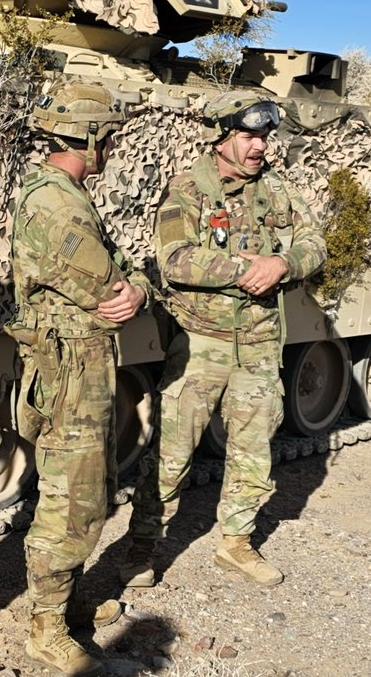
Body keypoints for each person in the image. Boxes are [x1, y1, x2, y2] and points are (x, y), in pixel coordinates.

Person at [120, 90, 326, 588]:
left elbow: (314, 244)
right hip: (200, 345)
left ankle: (236, 543)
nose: (260, 147)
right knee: (171, 454)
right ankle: (142, 546)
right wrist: (243, 271)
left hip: (258, 345)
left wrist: (284, 263)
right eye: (250, 136)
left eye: (265, 137)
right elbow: (173, 259)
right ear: (221, 137)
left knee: (254, 452)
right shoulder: (188, 191)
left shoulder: (278, 189)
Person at [8, 79, 149, 677]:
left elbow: (120, 276)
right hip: (70, 365)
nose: (112, 147)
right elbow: (113, 288)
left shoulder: (64, 196)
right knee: (72, 497)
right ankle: (47, 627)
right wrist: (136, 288)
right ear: (90, 140)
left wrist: (134, 284)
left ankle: (62, 603)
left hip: (80, 360)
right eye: (108, 136)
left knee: (92, 486)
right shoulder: (58, 205)